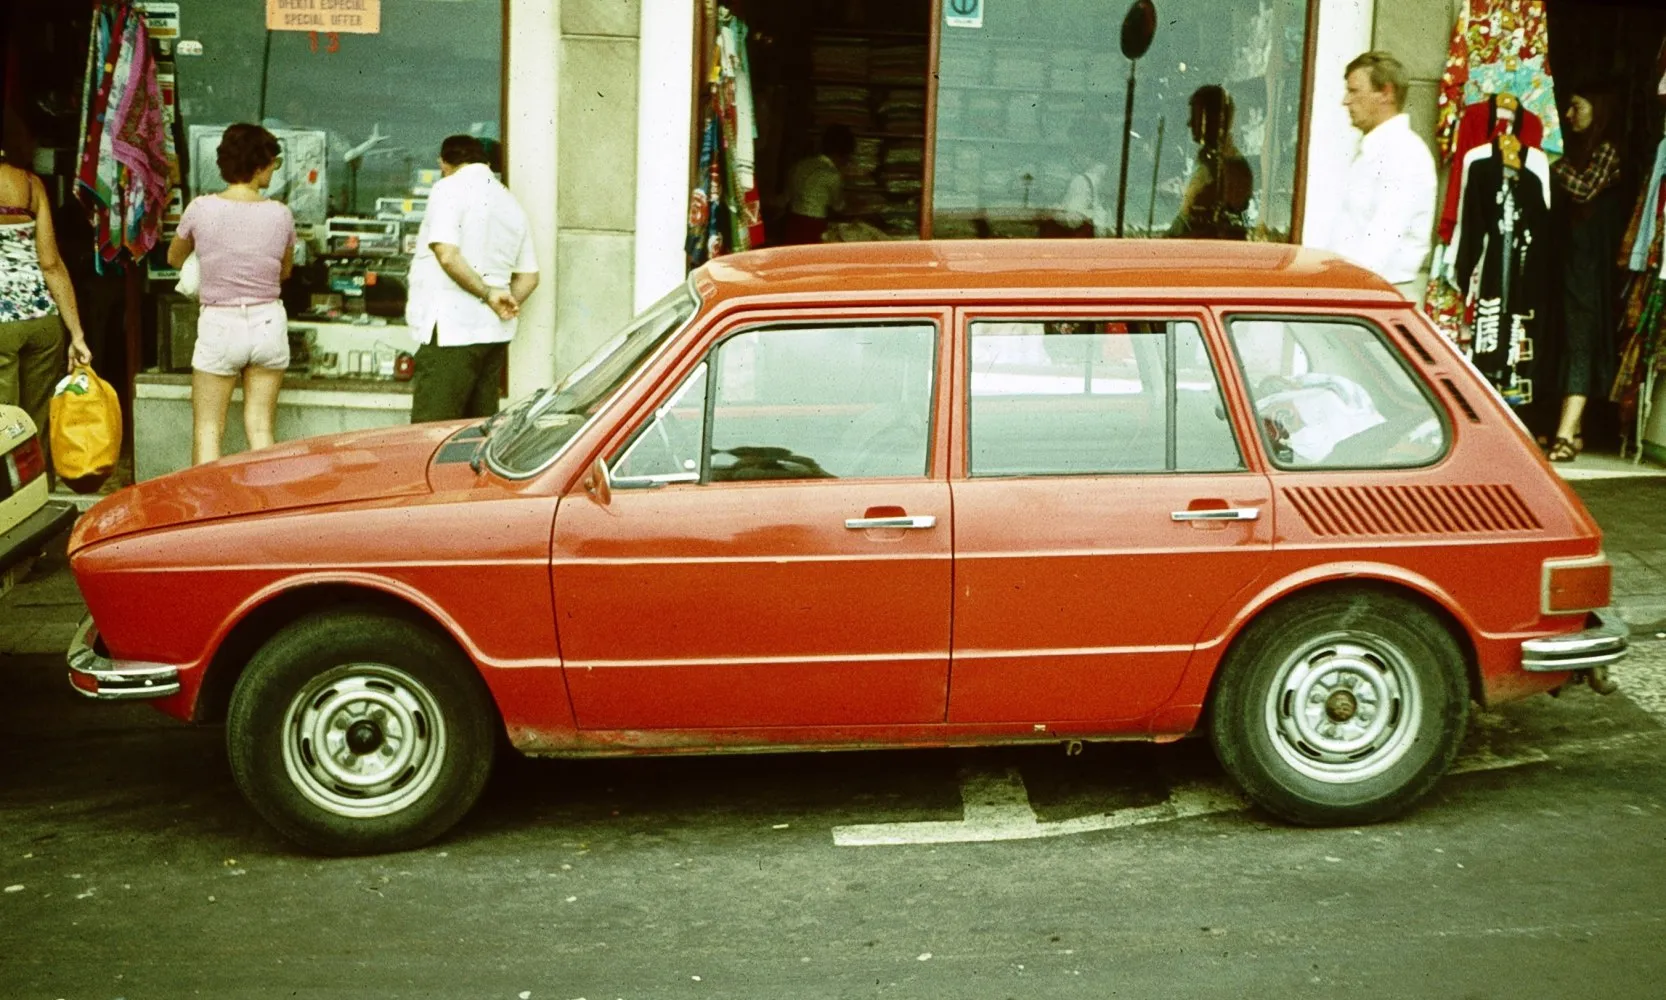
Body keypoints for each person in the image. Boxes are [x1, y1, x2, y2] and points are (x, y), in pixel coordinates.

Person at [168, 123, 296, 465]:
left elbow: (174, 257)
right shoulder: (281, 214)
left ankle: (209, 516)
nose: (273, 170)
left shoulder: (200, 208)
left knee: (209, 430)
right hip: (268, 320)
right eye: (273, 163)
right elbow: (285, 271)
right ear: (259, 165)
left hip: (220, 323)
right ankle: (267, 512)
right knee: (261, 428)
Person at [405, 134, 538, 423]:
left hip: (452, 331)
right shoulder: (510, 201)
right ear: (486, 163)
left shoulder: (448, 188)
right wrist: (503, 301)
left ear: (444, 163)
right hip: (494, 333)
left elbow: (448, 255)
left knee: (432, 433)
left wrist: (488, 295)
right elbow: (529, 277)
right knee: (475, 434)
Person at [1546, 87, 1627, 463]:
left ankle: (1565, 433)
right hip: (1574, 262)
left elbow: (1583, 190)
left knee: (1580, 339)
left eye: (1577, 105)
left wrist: (1549, 161)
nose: (1568, 114)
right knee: (1570, 337)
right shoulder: (1582, 152)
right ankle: (1573, 430)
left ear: (1600, 107)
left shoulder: (1605, 151)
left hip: (1591, 266)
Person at [0, 142, 94, 462]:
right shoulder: (30, 185)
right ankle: (40, 493)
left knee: (4, 423)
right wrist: (76, 334)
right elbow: (51, 263)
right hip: (43, 319)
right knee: (36, 422)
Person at [1319, 51, 1438, 297]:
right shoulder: (1375, 149)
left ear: (1386, 93)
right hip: (1356, 292)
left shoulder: (1404, 154)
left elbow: (1378, 244)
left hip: (1375, 297)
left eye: (1354, 91)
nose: (1345, 101)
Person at [1169, 85, 1253, 240]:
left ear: (1213, 118)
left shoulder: (1228, 168)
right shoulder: (1212, 162)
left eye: (1195, 115)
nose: (1189, 123)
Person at [781, 125, 854, 245]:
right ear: (843, 153)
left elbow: (787, 196)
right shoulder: (832, 174)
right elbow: (839, 207)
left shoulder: (800, 165)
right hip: (814, 226)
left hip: (792, 222)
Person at [1049, 127, 1112, 238]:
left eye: (1075, 152)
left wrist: (1051, 212)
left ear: (1087, 154)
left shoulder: (1082, 181)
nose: (1073, 158)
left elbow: (1073, 220)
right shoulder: (1106, 174)